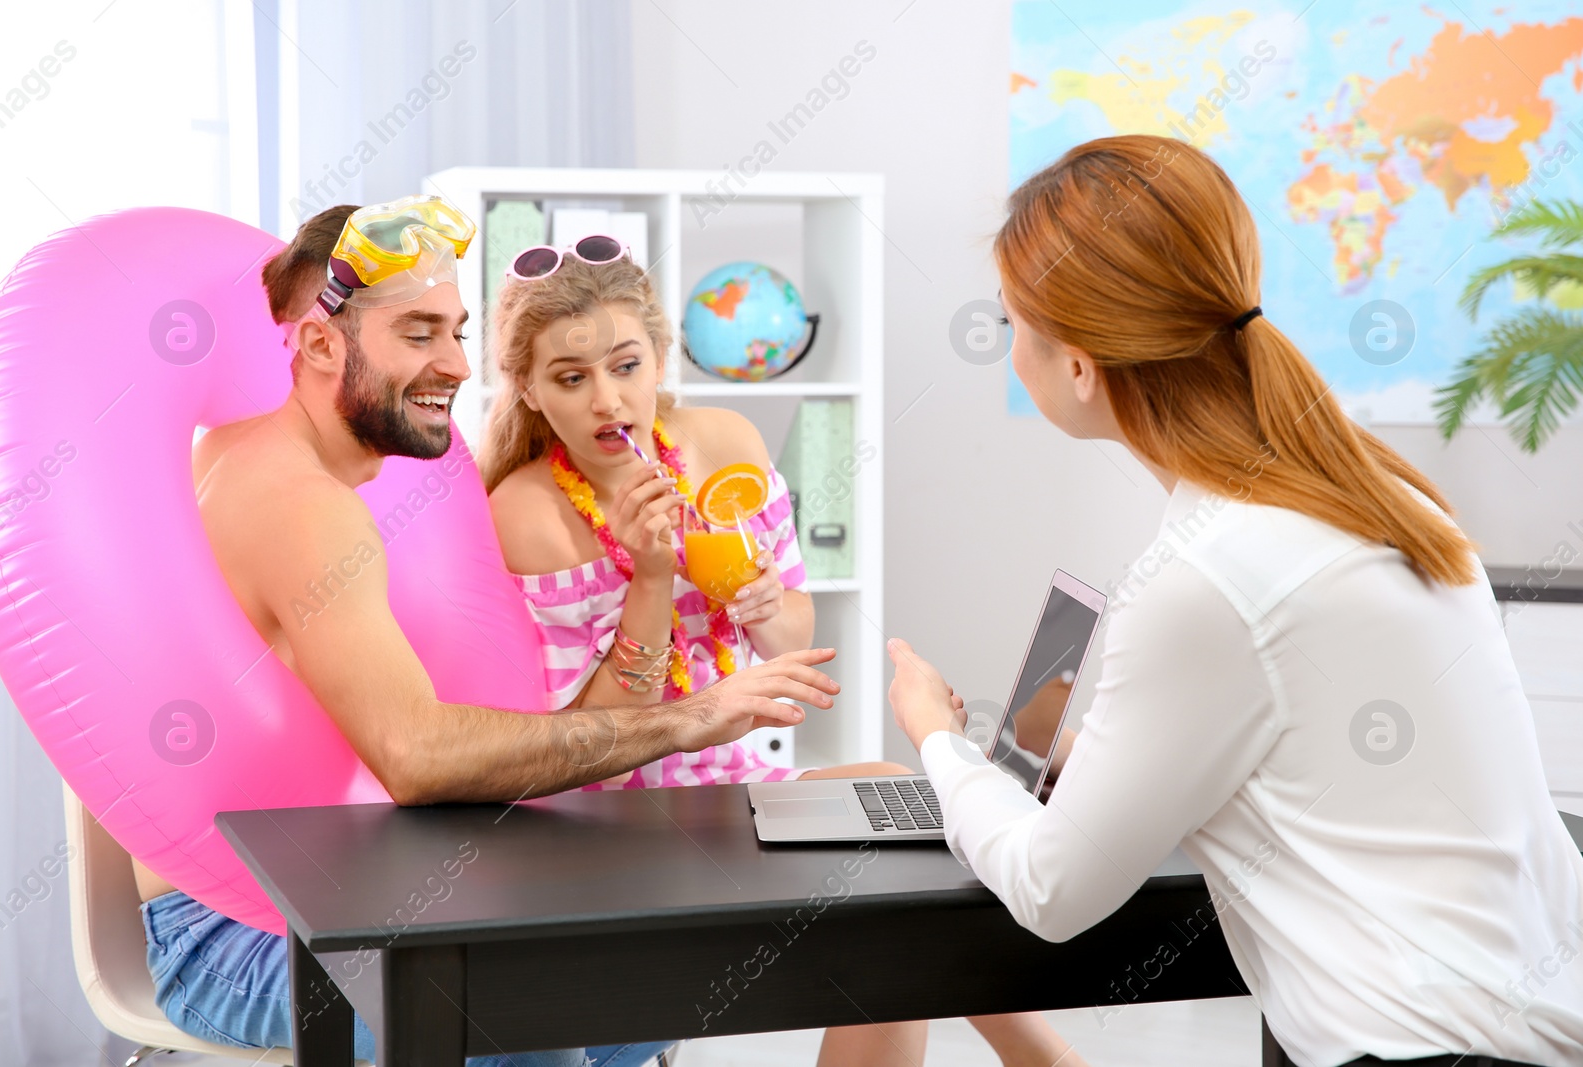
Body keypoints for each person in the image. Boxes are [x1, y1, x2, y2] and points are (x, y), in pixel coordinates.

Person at [886, 134, 1583, 1067]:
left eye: (1015, 325)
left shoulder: (1204, 580)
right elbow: (1329, 762)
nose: (1012, 350)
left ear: (1082, 366)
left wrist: (936, 734)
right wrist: (1112, 770)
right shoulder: (1381, 494)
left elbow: (1053, 892)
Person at [130, 197, 843, 1067]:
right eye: (421, 332)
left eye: (460, 332)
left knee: (628, 970)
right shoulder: (302, 508)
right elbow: (418, 757)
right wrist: (696, 715)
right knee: (511, 1000)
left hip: (337, 878)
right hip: (237, 930)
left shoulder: (281, 466)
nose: (458, 364)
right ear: (320, 344)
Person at [480, 243, 1088, 1067]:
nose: (609, 399)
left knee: (910, 812)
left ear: (662, 353)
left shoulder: (725, 441)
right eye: (570, 377)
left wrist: (766, 606)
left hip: (744, 794)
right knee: (894, 887)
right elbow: (597, 755)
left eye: (627, 364)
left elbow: (793, 636)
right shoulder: (526, 514)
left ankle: (1040, 1055)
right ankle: (1049, 1062)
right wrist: (651, 578)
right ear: (528, 387)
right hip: (619, 821)